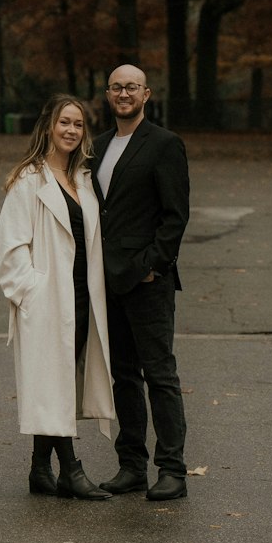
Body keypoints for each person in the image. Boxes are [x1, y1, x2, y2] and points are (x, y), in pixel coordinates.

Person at [0, 93, 115, 500]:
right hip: (48, 300)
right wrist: (33, 291)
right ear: (49, 126)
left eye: (79, 124)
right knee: (55, 382)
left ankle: (39, 470)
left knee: (59, 382)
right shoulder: (29, 181)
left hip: (82, 296)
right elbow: (9, 249)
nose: (71, 130)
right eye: (65, 122)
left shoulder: (82, 179)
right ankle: (70, 470)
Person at [91, 64, 190, 501]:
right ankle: (131, 466)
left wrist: (154, 264)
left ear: (146, 94)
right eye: (116, 87)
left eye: (131, 86)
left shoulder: (165, 145)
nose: (124, 93)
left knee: (161, 375)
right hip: (108, 281)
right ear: (108, 94)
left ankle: (172, 470)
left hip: (148, 281)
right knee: (123, 377)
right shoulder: (97, 147)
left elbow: (175, 215)